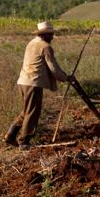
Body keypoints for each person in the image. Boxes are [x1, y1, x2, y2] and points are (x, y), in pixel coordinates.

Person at [4, 22, 73, 150]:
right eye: (50, 34)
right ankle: (24, 141)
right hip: (33, 82)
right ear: (45, 34)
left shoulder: (32, 43)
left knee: (26, 111)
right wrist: (66, 78)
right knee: (32, 112)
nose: (52, 37)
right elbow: (53, 68)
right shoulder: (45, 46)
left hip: (23, 81)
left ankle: (10, 135)